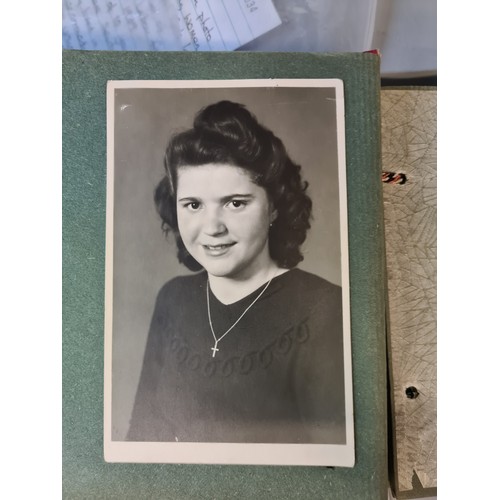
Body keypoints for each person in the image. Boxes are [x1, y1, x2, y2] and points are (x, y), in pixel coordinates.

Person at [127, 100, 346, 444]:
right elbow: (139, 445)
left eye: (236, 203)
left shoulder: (324, 309)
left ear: (273, 206)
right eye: (194, 205)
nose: (212, 227)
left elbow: (334, 472)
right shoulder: (173, 299)